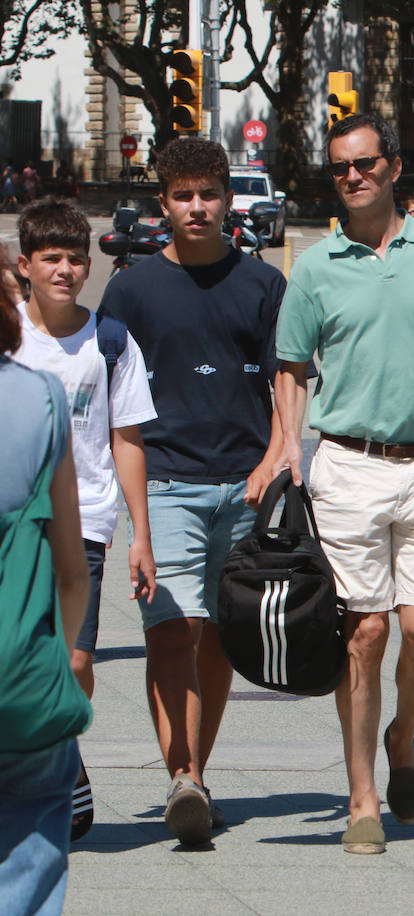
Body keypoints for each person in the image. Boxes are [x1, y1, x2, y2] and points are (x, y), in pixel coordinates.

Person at [274, 113, 414, 855]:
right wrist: (285, 449)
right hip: (347, 465)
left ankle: (404, 734)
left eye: (365, 163)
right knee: (365, 633)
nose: (353, 176)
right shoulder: (315, 264)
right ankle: (362, 796)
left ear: (394, 168)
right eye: (340, 166)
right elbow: (291, 365)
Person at [99, 137, 286, 847]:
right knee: (172, 628)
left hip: (245, 485)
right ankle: (181, 772)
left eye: (209, 193)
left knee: (220, 636)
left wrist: (275, 461)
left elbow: (287, 386)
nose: (198, 207)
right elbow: (112, 399)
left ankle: (197, 774)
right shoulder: (132, 289)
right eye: (184, 195)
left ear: (228, 198)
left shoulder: (263, 285)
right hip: (168, 481)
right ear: (164, 204)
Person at [11, 198, 157, 842]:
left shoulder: (110, 341)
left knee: (72, 664)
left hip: (87, 521)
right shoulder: (9, 338)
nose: (66, 270)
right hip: (16, 525)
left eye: (76, 259)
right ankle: (46, 766)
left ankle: (63, 754)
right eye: (52, 259)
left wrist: (141, 534)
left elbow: (127, 438)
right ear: (26, 266)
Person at [0, 274, 93, 915]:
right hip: (21, 677)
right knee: (31, 846)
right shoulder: (38, 399)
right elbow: (71, 568)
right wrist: (59, 657)